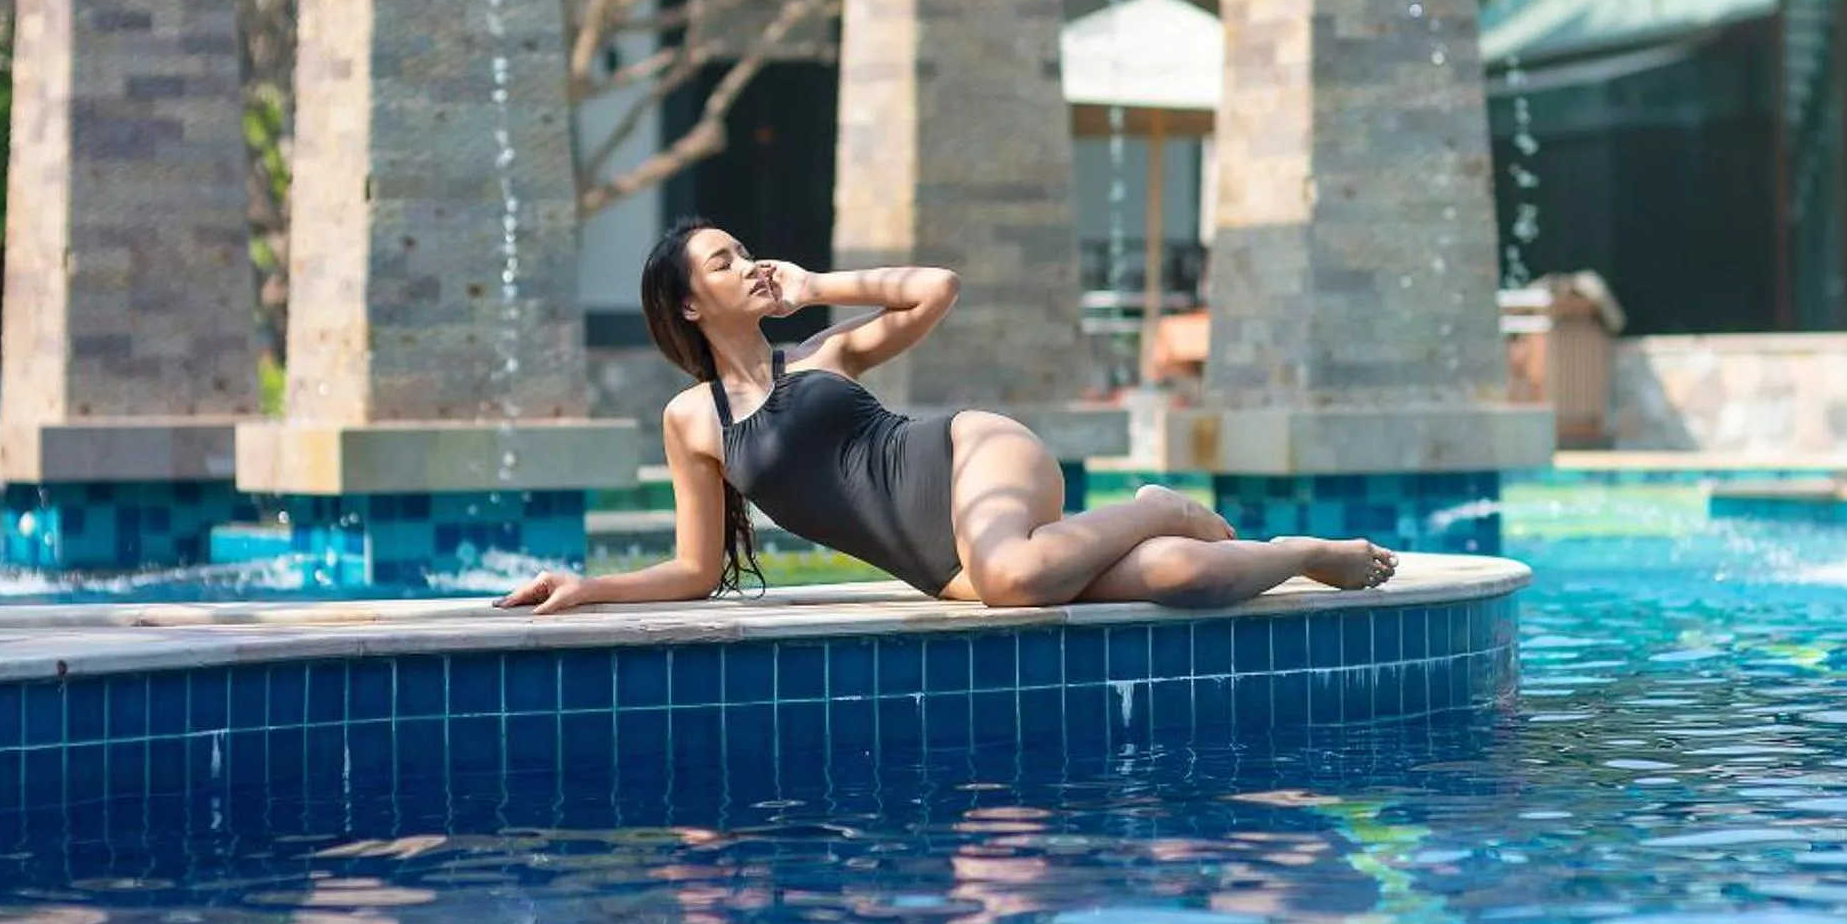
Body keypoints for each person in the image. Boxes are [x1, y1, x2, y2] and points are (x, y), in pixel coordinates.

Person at [496, 218, 1399, 615]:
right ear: (689, 305)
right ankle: (1301, 554)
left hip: (970, 457)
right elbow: (696, 570)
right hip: (947, 565)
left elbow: (937, 288)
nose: (749, 265)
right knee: (1174, 580)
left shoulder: (819, 352)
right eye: (724, 263)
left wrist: (819, 288)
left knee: (1013, 577)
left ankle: (1161, 500)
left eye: (744, 251)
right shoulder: (691, 420)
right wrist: (590, 588)